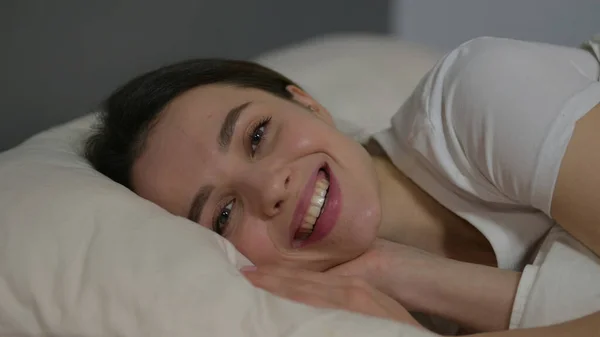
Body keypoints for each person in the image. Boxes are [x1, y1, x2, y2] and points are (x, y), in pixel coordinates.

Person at [85, 36, 600, 336]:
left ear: (308, 103)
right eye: (223, 214)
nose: (270, 189)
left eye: (258, 134)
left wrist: (419, 280)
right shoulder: (351, 315)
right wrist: (397, 276)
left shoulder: (479, 95)